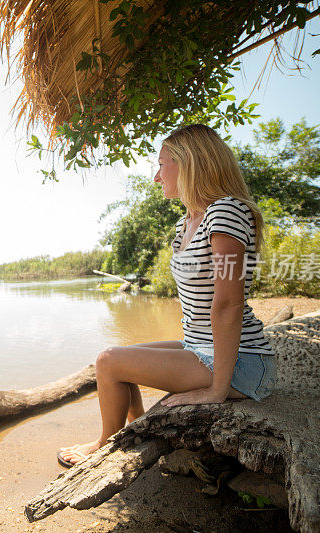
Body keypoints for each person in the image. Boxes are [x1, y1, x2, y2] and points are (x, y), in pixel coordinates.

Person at [58, 124, 277, 468]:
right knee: (118, 360)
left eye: (161, 164)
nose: (157, 177)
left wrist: (216, 391)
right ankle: (134, 430)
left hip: (242, 361)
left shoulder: (226, 211)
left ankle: (105, 444)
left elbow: (229, 303)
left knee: (108, 361)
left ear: (189, 163)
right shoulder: (187, 223)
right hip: (200, 346)